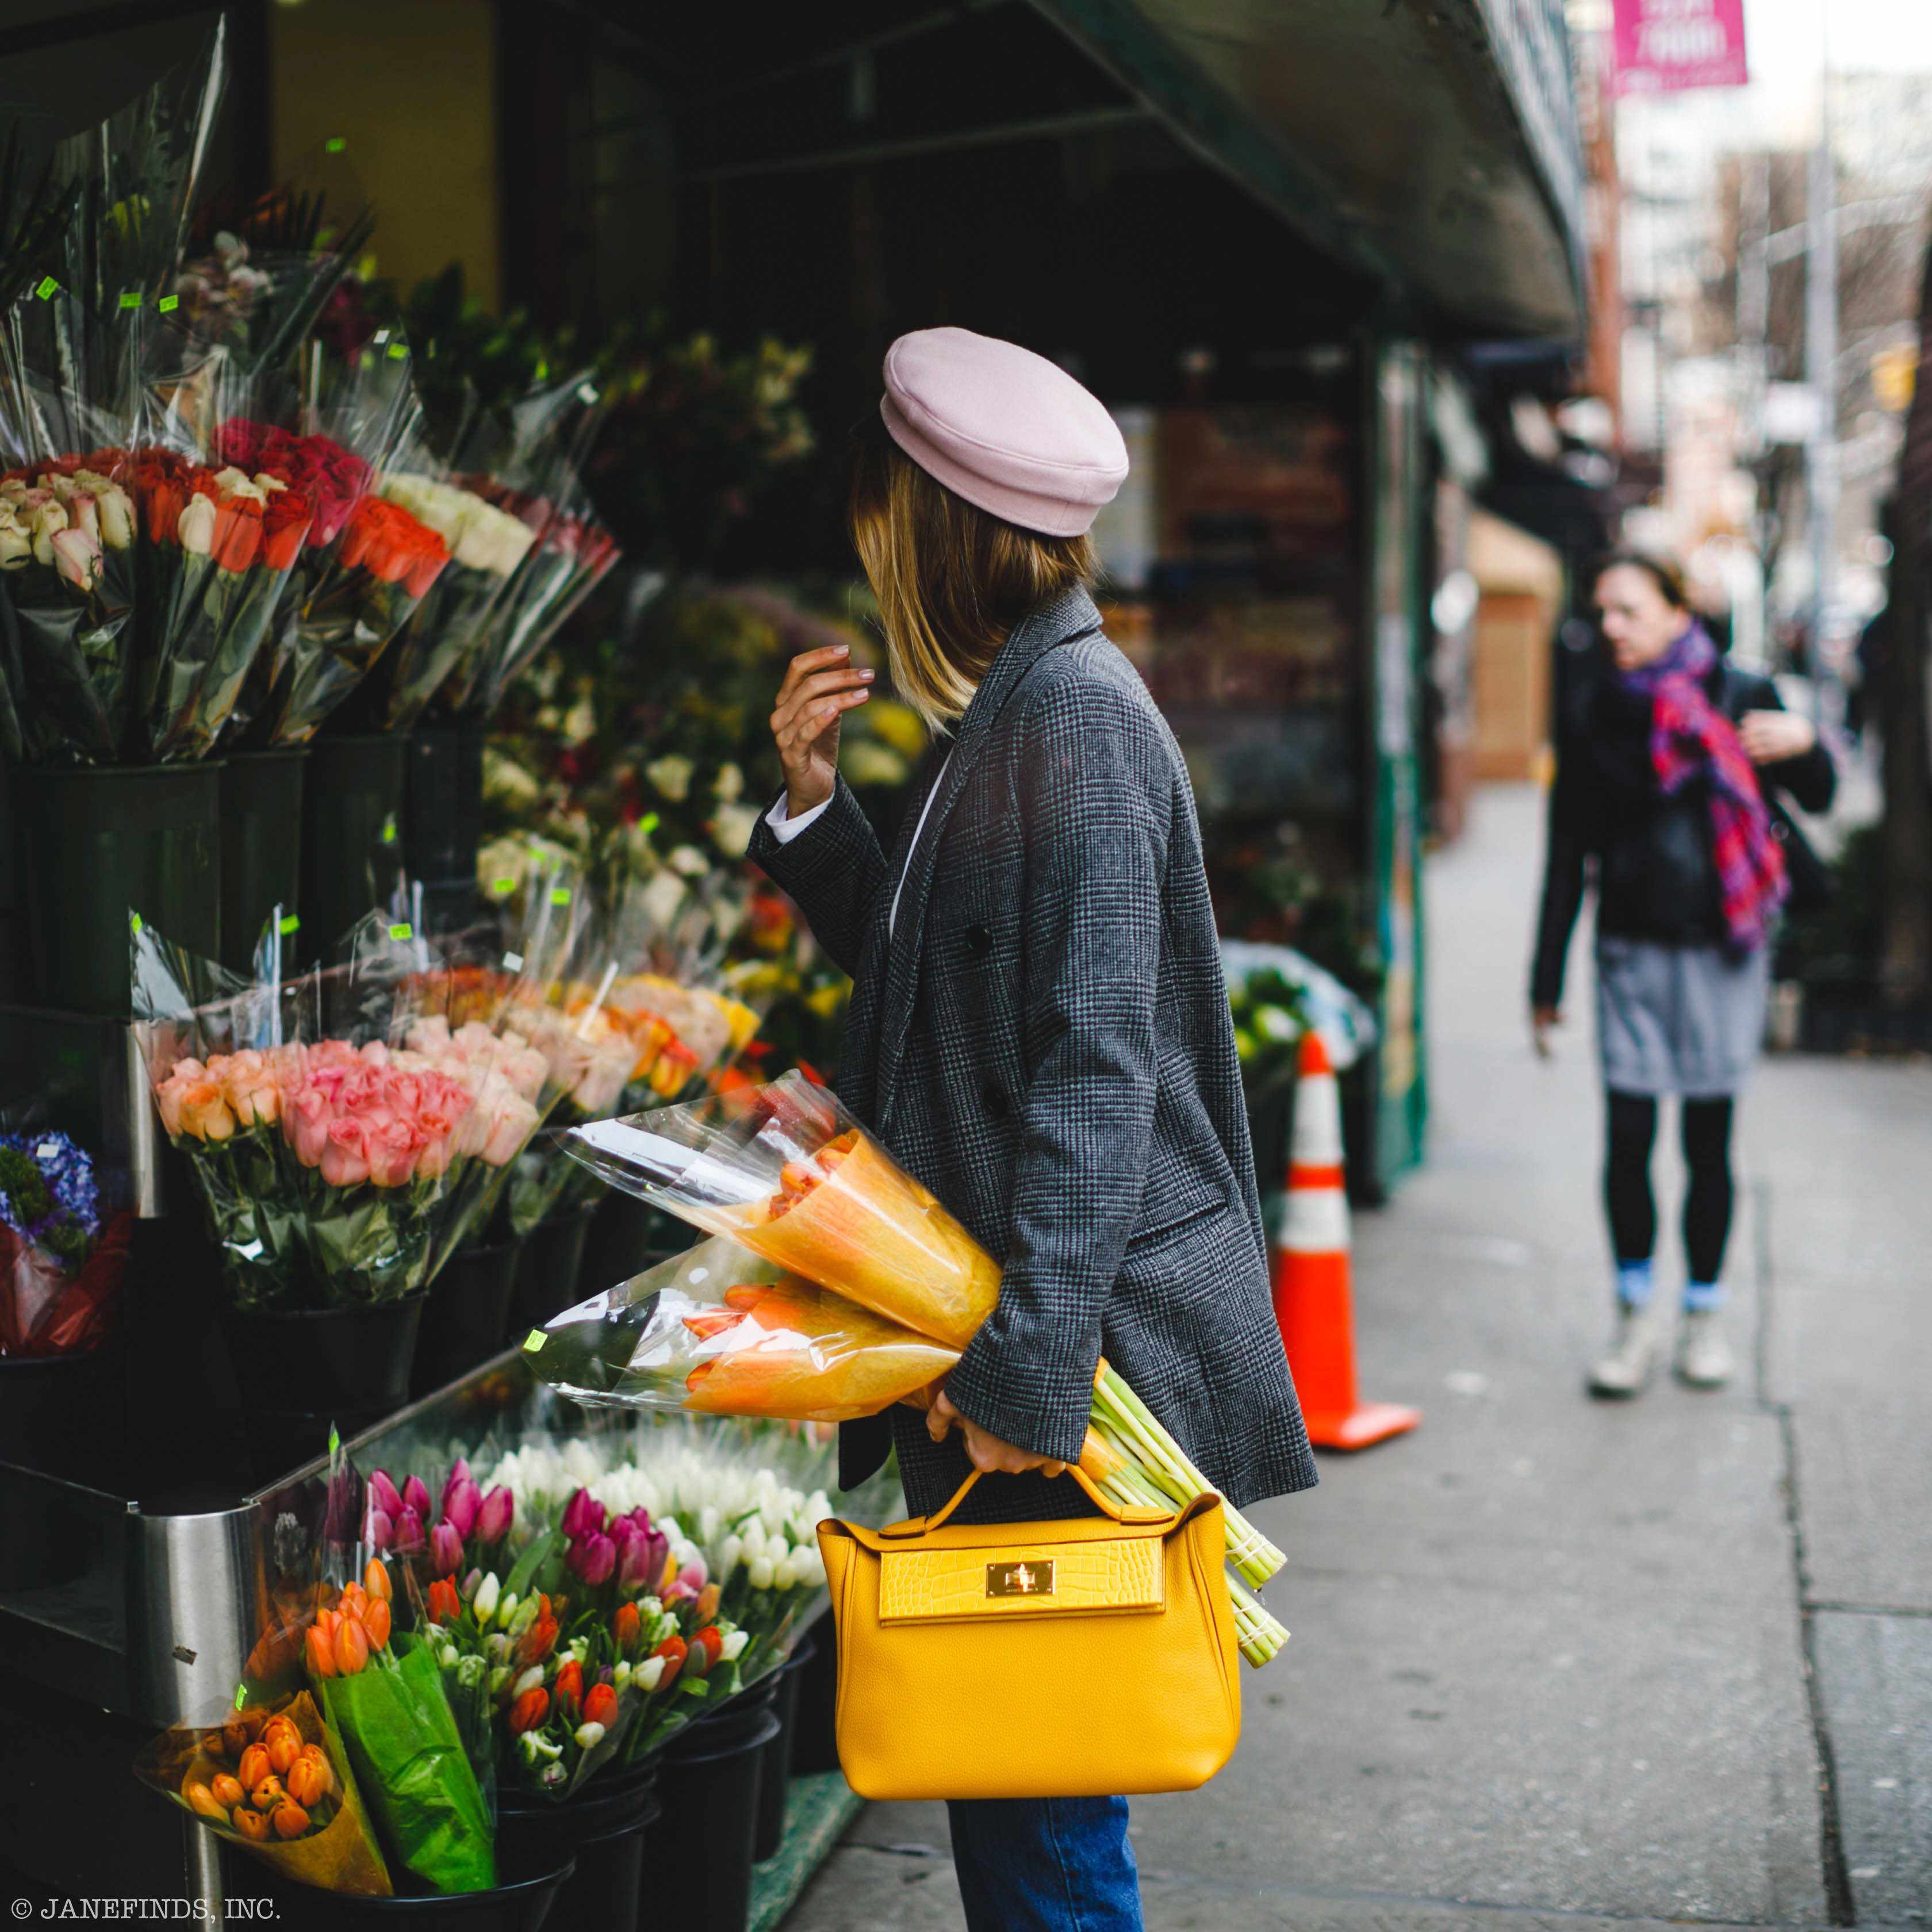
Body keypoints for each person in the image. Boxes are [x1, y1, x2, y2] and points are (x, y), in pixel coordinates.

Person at [750, 326, 1316, 1932]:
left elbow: (1091, 1078)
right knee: (1024, 1805)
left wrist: (1026, 1385)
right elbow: (957, 991)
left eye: (881, 539)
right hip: (1026, 1324)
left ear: (936, 535)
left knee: (1047, 1827)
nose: (872, 580)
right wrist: (810, 807)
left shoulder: (1069, 724)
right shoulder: (1021, 706)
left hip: (1053, 1343)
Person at [1531, 553, 1834, 1397]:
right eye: (1604, 613)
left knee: (1709, 1143)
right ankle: (1635, 1320)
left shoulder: (1743, 694)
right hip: (1629, 951)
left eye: (1628, 611)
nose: (1611, 629)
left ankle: (1703, 1317)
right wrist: (1544, 982)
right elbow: (1567, 854)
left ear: (1675, 611)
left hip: (1724, 951)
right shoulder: (1596, 708)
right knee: (1628, 1142)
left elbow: (1821, 794)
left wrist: (1807, 743)